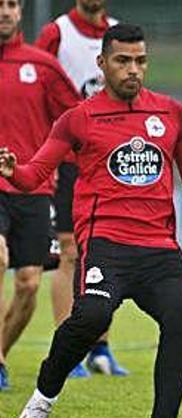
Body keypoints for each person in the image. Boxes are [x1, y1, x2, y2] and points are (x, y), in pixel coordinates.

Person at [0, 23, 182, 418]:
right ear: (102, 64)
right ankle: (43, 398)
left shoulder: (171, 115)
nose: (133, 70)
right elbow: (36, 173)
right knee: (90, 316)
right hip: (106, 242)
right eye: (123, 61)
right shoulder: (78, 119)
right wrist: (14, 172)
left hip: (159, 249)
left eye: (140, 60)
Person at [36, 0, 126, 378]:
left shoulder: (120, 32)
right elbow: (34, 88)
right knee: (70, 252)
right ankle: (66, 346)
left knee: (109, 249)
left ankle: (101, 348)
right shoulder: (57, 33)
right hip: (69, 163)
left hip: (110, 160)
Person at [0, 0, 81, 392]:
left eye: (12, 4)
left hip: (31, 187)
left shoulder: (43, 67)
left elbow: (76, 121)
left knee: (29, 282)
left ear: (21, 11)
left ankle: (0, 354)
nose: (4, 12)